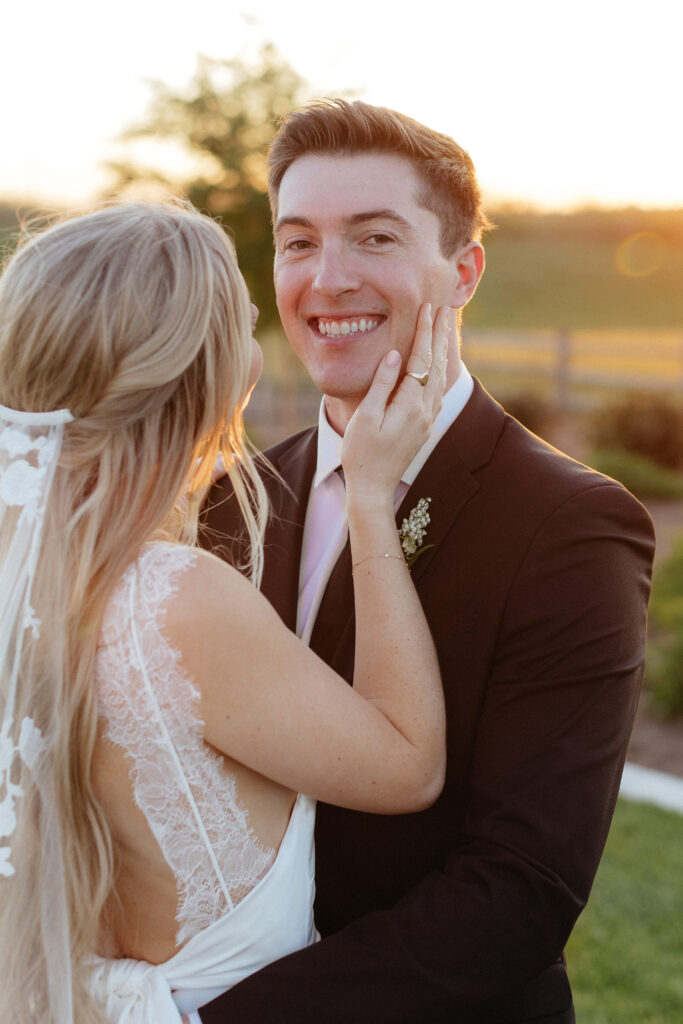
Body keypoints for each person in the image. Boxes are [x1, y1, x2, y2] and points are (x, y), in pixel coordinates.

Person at [199, 100, 656, 1023]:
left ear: (463, 272)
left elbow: (520, 887)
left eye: (373, 239)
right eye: (298, 243)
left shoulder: (568, 525)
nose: (326, 280)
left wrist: (215, 1019)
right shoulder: (234, 494)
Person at [0, 200, 455, 1024]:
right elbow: (406, 766)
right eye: (242, 326)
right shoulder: (172, 599)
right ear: (199, 373)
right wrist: (370, 499)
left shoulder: (24, 581)